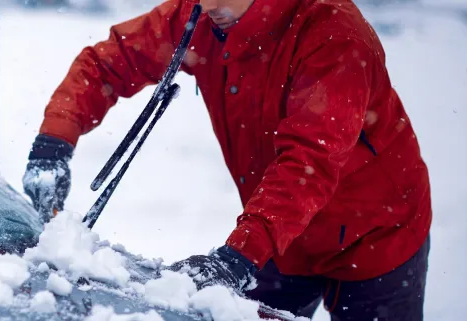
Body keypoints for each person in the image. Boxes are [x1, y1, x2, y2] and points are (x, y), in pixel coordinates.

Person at [22, 0, 432, 320]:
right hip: (278, 235)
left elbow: (309, 162)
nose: (205, 5)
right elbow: (109, 63)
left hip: (376, 237)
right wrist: (53, 142)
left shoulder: (332, 36)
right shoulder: (201, 17)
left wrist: (238, 257)